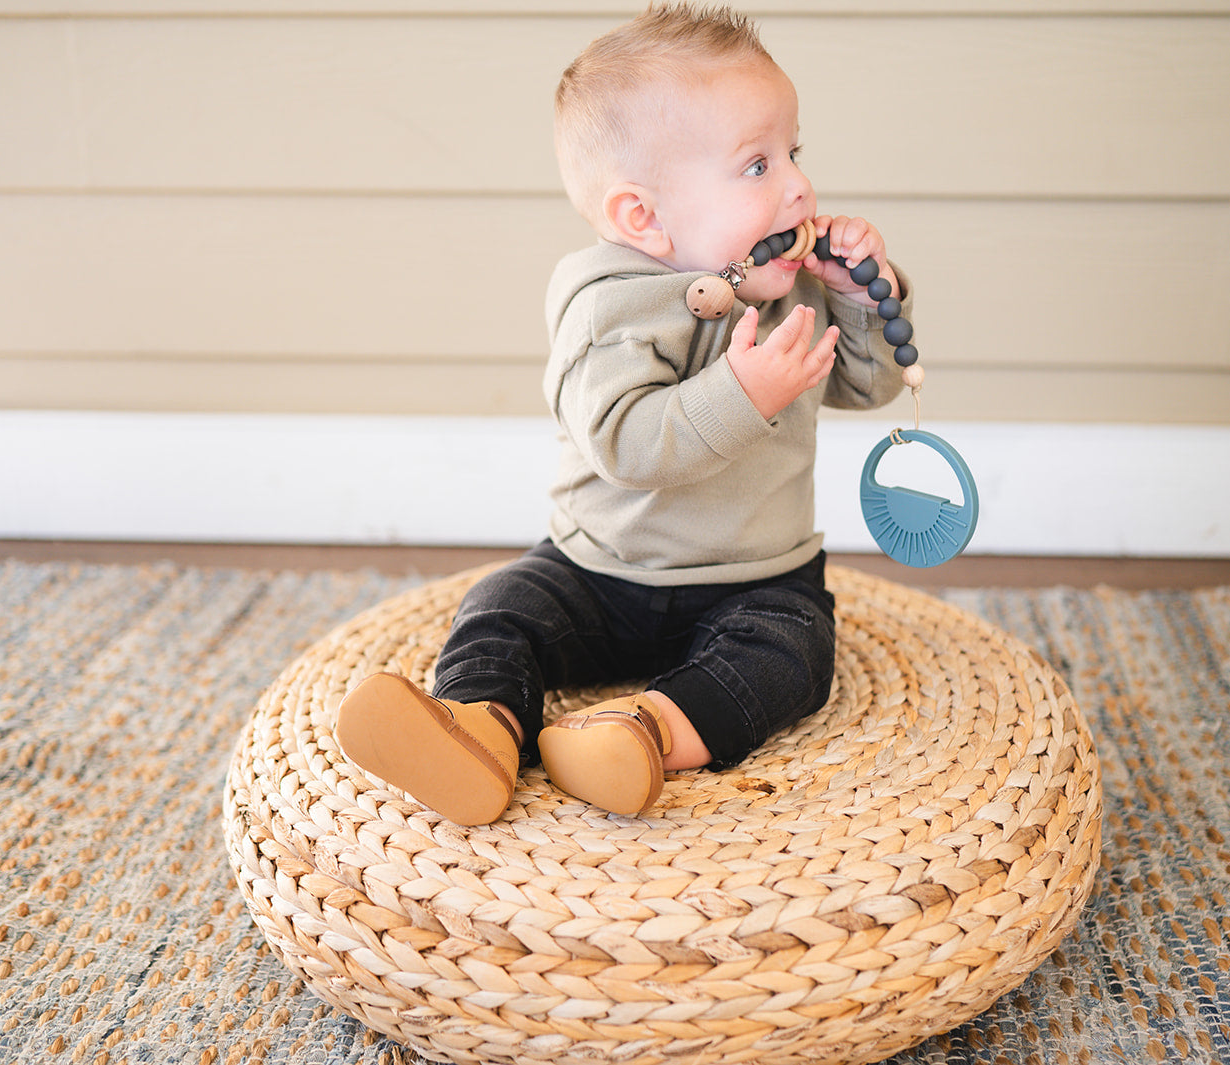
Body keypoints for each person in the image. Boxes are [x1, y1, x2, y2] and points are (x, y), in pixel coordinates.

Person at [333, 1, 911, 824]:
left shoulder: (794, 288)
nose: (799, 187)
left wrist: (861, 300)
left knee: (794, 655)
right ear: (643, 218)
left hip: (753, 581)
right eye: (756, 167)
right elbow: (626, 444)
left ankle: (643, 731)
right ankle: (478, 727)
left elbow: (870, 385)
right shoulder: (608, 307)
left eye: (794, 153)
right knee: (504, 606)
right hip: (598, 569)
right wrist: (743, 396)